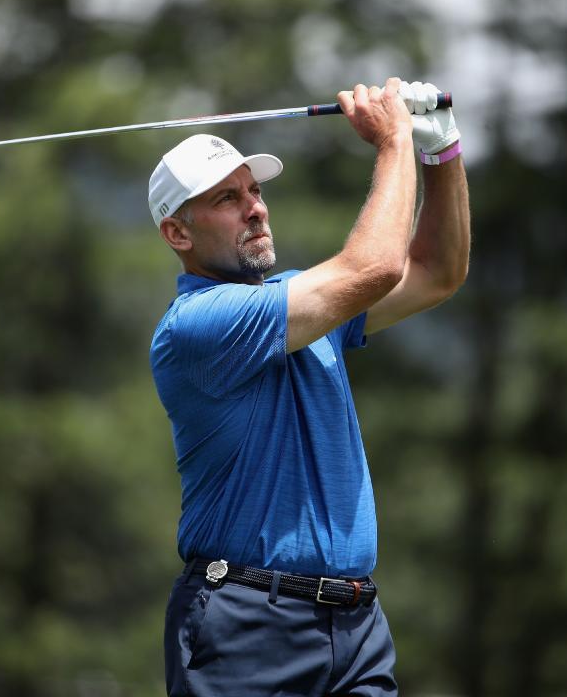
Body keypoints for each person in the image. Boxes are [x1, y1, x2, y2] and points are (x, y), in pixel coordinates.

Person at [147, 77, 470, 697]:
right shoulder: (195, 328)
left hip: (354, 626)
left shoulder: (302, 303)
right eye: (225, 199)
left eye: (255, 190)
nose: (256, 208)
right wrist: (393, 141)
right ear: (177, 234)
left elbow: (437, 272)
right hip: (247, 626)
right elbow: (374, 267)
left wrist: (441, 152)